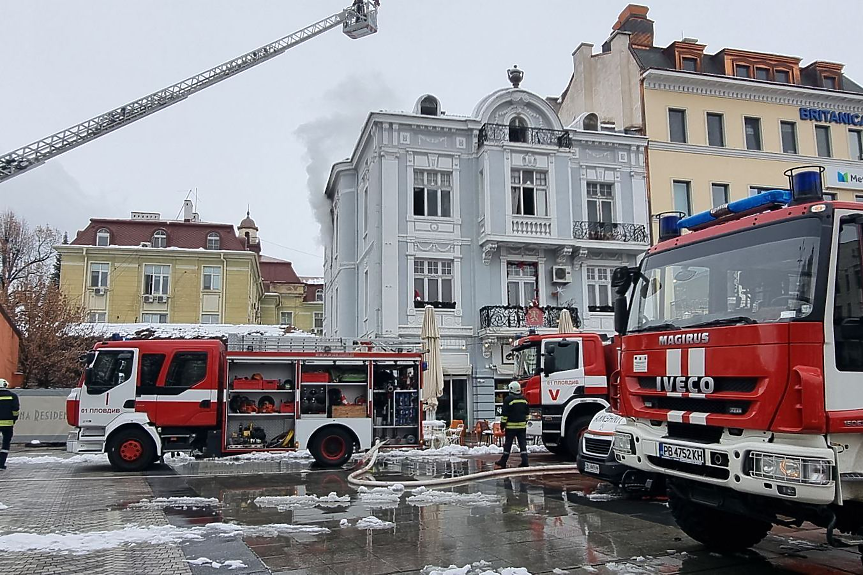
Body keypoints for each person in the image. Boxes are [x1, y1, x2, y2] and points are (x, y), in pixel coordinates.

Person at [495, 381, 529, 469]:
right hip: (522, 427)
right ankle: (525, 461)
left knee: (508, 444)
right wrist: (524, 422)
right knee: (522, 444)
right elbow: (527, 414)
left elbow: (504, 415)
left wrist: (502, 426)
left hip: (511, 427)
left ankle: (503, 461)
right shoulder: (524, 399)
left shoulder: (508, 400)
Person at [0, 379, 19, 470]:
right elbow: (15, 410)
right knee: (5, 444)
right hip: (8, 424)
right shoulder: (13, 396)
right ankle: (1, 463)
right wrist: (14, 420)